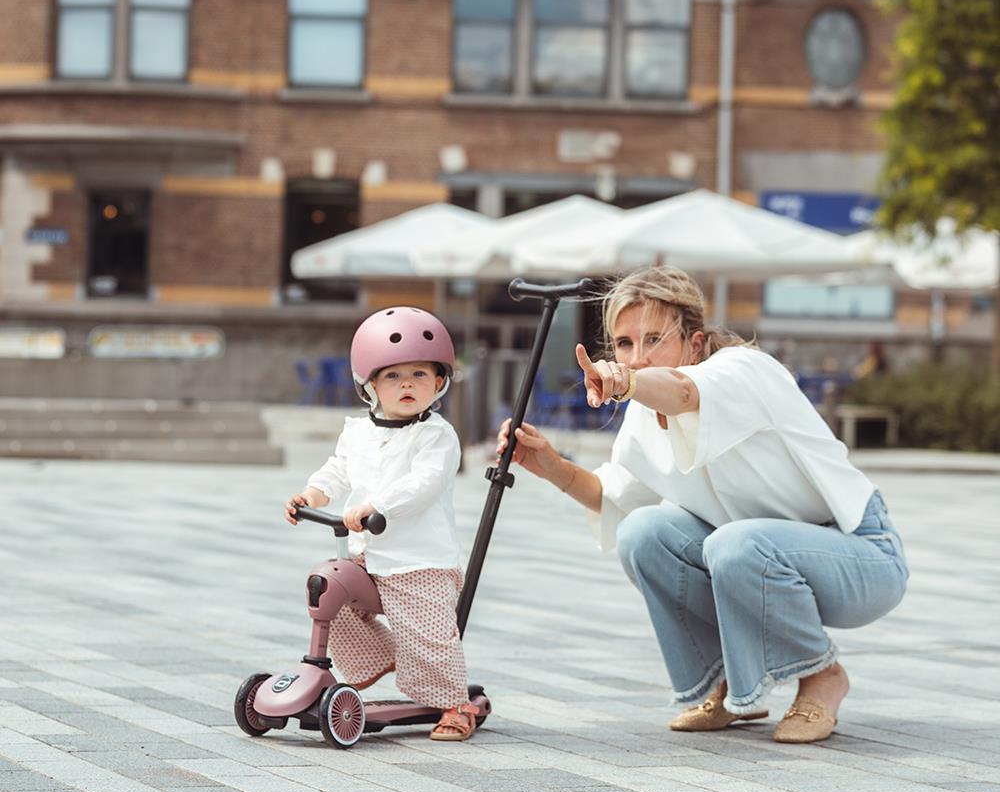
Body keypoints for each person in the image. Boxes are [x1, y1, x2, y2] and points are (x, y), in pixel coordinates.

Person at [497, 267, 908, 743]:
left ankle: (822, 676)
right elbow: (614, 497)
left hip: (860, 555)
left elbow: (686, 392)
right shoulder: (643, 415)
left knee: (735, 542)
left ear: (694, 343)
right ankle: (726, 681)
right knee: (644, 533)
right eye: (624, 344)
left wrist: (628, 381)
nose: (636, 356)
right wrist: (550, 464)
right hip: (758, 557)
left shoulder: (742, 370)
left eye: (654, 338)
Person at [285, 307, 480, 742]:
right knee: (328, 594)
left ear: (440, 382)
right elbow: (337, 470)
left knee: (431, 636)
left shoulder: (436, 435)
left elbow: (424, 484)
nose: (407, 384)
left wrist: (378, 505)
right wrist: (312, 495)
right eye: (392, 376)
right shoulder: (356, 431)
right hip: (366, 555)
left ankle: (455, 704)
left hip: (419, 561)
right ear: (369, 384)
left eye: (419, 374)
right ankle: (387, 657)